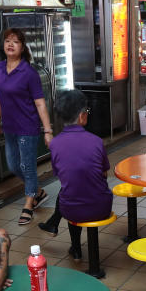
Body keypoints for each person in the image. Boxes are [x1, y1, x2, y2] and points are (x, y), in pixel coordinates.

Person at [37, 91, 112, 259]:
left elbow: (63, 176)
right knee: (79, 192)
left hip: (70, 210)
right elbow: (104, 173)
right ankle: (81, 252)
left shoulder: (55, 144)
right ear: (81, 116)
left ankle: (76, 249)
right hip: (101, 207)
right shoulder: (96, 141)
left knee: (70, 194)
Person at [0, 28, 54, 226]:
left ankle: (29, 203)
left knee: (28, 167)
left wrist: (48, 130)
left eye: (15, 42)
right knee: (13, 165)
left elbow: (40, 103)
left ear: (22, 47)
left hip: (28, 126)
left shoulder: (29, 72)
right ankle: (37, 191)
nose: (10, 44)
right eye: (7, 41)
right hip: (9, 126)